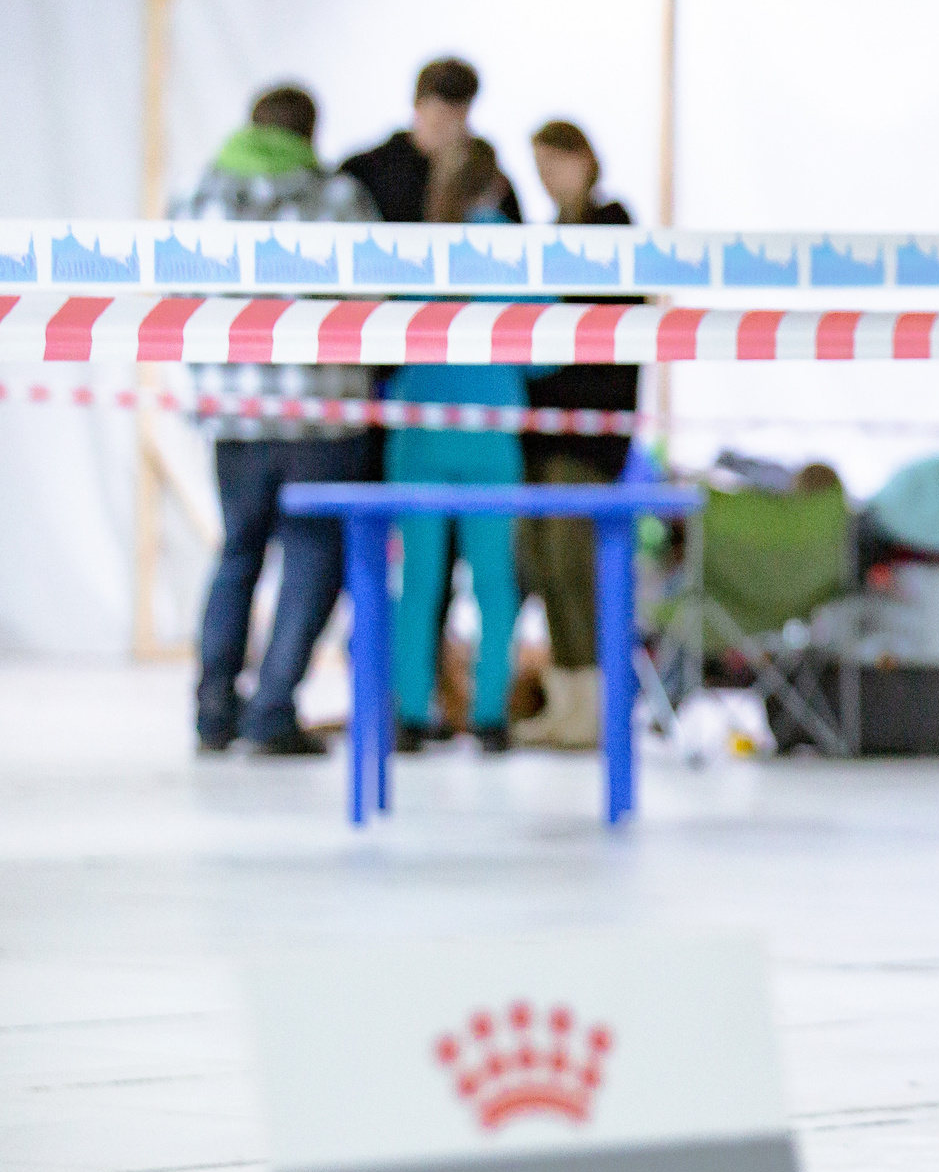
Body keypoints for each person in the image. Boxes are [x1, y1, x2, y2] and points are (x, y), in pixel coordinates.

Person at [180, 83, 379, 756]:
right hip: (321, 413)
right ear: (309, 133)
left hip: (234, 413)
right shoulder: (337, 200)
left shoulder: (201, 197)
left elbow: (174, 295)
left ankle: (212, 711)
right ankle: (271, 710)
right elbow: (374, 296)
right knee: (310, 560)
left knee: (237, 554)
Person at [386, 138, 534, 752]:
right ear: (497, 187)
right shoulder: (515, 254)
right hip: (490, 433)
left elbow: (389, 334)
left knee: (418, 584)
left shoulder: (417, 251)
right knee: (495, 585)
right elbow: (545, 348)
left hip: (419, 431)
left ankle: (412, 713)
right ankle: (492, 714)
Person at [513, 119, 640, 750]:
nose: (548, 179)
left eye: (554, 164)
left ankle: (595, 704)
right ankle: (569, 702)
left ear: (584, 160)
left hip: (589, 435)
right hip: (541, 431)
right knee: (537, 560)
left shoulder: (615, 229)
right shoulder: (549, 237)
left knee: (572, 562)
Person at [341, 57, 523, 224]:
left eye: (459, 116)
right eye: (441, 116)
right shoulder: (366, 170)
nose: (451, 128)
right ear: (418, 106)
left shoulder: (485, 177)